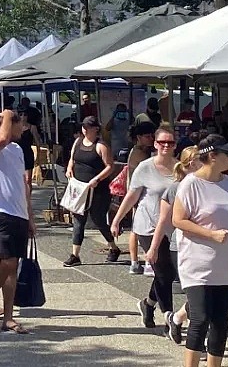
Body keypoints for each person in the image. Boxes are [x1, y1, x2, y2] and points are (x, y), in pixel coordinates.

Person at [173, 135, 228, 367]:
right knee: (200, 320)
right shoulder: (190, 184)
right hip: (197, 264)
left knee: (221, 322)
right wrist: (210, 234)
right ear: (212, 156)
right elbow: (178, 220)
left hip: (226, 265)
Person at [113, 126, 178, 328]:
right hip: (148, 225)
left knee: (167, 272)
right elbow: (132, 195)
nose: (166, 146)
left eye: (170, 142)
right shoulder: (145, 167)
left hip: (172, 227)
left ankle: (148, 304)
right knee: (163, 272)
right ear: (155, 144)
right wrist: (117, 219)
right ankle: (169, 317)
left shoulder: (180, 168)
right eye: (162, 142)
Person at [0, 110, 33, 334]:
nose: (24, 128)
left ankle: (8, 318)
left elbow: (23, 184)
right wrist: (8, 115)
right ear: (9, 125)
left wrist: (30, 216)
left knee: (14, 268)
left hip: (19, 213)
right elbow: (1, 138)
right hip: (0, 212)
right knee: (8, 262)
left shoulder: (18, 149)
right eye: (20, 124)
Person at [148, 145, 201, 346]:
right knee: (197, 296)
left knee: (206, 294)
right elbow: (163, 220)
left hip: (205, 247)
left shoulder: (209, 185)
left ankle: (177, 318)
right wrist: (153, 248)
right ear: (189, 164)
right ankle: (198, 343)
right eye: (199, 160)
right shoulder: (175, 188)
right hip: (181, 247)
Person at [63, 117, 121, 267]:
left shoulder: (101, 146)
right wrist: (69, 168)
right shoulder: (78, 142)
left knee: (98, 220)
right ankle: (75, 255)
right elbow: (72, 159)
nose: (85, 130)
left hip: (97, 190)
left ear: (95, 129)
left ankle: (113, 247)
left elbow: (110, 166)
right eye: (84, 127)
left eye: (88, 127)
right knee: (78, 220)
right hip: (79, 188)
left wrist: (97, 179)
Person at [125, 121, 157, 273]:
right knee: (139, 228)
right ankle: (138, 261)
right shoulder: (140, 153)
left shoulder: (139, 150)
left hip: (137, 192)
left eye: (152, 136)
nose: (150, 139)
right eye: (147, 136)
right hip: (139, 194)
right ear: (139, 137)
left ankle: (135, 262)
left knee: (136, 227)